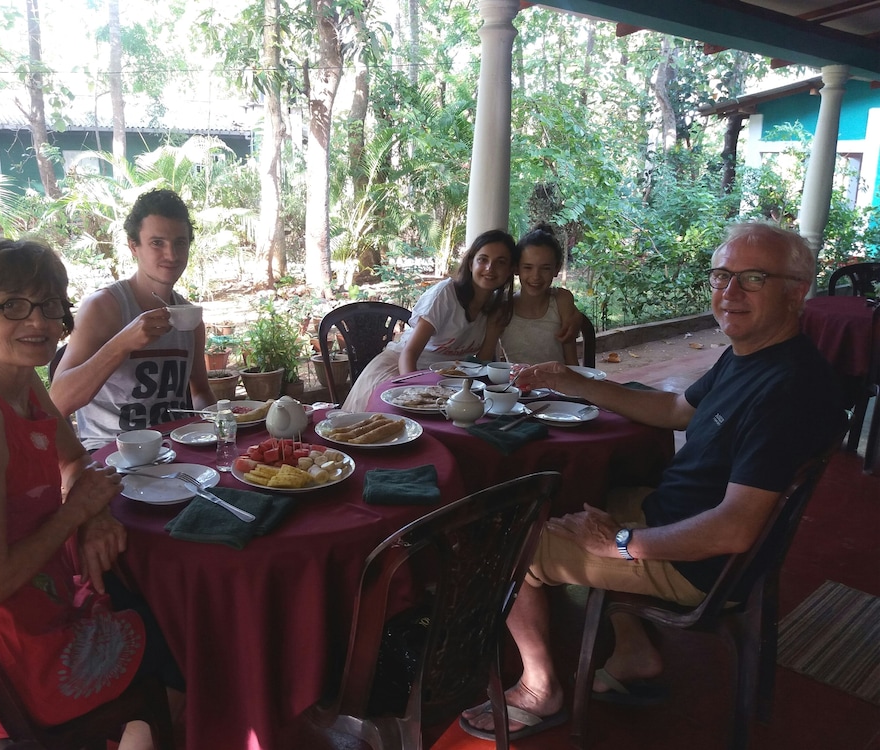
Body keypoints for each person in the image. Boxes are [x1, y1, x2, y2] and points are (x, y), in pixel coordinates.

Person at [459, 221, 846, 740]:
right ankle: (636, 652)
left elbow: (733, 530)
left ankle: (540, 687)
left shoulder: (787, 393)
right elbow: (673, 408)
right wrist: (567, 380)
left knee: (510, 539)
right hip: (679, 513)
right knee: (601, 494)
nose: (729, 293)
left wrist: (622, 542)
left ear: (797, 292)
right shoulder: (754, 355)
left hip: (702, 562)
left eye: (753, 278)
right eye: (721, 276)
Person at [0, 239, 183, 748]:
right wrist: (72, 514)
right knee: (182, 646)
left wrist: (93, 517)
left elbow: (74, 459)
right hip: (3, 653)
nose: (39, 321)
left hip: (36, 602)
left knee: (150, 603)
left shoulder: (21, 383)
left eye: (50, 304)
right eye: (12, 305)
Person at [50, 188, 214, 449]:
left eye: (180, 243)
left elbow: (200, 392)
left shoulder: (189, 316)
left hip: (174, 450)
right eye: (157, 243)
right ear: (133, 246)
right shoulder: (104, 307)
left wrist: (217, 424)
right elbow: (58, 401)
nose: (171, 255)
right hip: (109, 455)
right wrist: (121, 344)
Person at [341, 229, 519, 412]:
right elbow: (409, 353)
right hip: (400, 371)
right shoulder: (445, 295)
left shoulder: (497, 306)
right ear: (471, 263)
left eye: (501, 262)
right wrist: (415, 393)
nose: (490, 268)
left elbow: (478, 365)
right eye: (483, 259)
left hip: (444, 382)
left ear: (511, 269)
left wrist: (492, 331)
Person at [478, 223, 580, 365]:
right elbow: (484, 359)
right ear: (516, 268)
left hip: (559, 384)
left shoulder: (561, 302)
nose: (536, 276)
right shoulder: (503, 309)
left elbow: (572, 362)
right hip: (517, 385)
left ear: (556, 269)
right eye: (528, 267)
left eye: (545, 268)